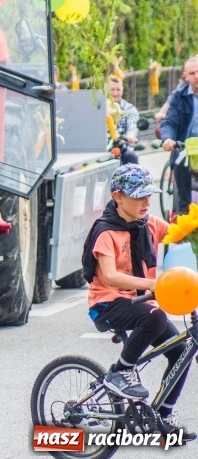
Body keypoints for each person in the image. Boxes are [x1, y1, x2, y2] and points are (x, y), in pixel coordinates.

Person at [82, 164, 194, 440]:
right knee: (154, 316)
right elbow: (111, 276)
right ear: (117, 196)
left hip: (138, 302)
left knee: (182, 351)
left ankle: (164, 417)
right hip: (108, 304)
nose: (146, 203)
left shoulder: (150, 224)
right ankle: (120, 371)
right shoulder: (106, 232)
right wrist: (154, 285)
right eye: (138, 196)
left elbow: (182, 236)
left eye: (149, 196)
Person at [161, 55, 198, 215]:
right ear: (185, 76)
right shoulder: (179, 96)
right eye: (192, 73)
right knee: (180, 160)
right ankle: (183, 213)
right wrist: (168, 139)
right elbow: (169, 121)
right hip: (185, 149)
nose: (197, 76)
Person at [107, 75, 140, 164]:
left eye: (118, 90)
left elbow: (132, 124)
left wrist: (130, 135)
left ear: (122, 90)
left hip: (122, 148)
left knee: (131, 157)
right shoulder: (99, 108)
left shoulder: (129, 109)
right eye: (112, 90)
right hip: (103, 148)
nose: (115, 93)